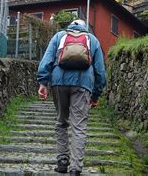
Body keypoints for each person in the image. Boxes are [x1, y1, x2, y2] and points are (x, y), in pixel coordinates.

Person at [37, 19, 106, 175]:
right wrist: (96, 94)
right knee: (79, 126)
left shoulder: (59, 36)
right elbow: (100, 71)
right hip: (83, 85)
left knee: (61, 122)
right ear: (85, 28)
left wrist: (43, 82)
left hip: (58, 82)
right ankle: (75, 168)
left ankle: (62, 162)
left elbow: (46, 60)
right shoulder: (92, 40)